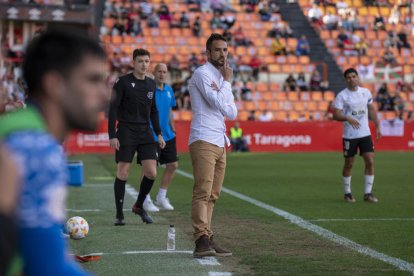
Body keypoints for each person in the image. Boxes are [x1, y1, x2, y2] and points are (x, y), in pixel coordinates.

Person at [0, 30, 108, 275]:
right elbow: (47, 267)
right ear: (54, 85)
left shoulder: (18, 130)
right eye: (92, 80)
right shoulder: (35, 148)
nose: (105, 94)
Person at [188, 33, 237, 258]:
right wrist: (226, 83)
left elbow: (232, 112)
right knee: (202, 191)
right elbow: (215, 102)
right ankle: (201, 240)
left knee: (213, 194)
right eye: (217, 50)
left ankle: (208, 234)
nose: (222, 54)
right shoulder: (202, 73)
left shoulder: (221, 77)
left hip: (219, 140)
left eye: (225, 50)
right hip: (203, 138)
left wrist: (225, 85)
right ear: (208, 53)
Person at [108, 48, 166, 226]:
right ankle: (119, 214)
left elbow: (154, 111)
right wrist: (112, 135)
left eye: (147, 61)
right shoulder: (122, 82)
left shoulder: (151, 84)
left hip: (145, 131)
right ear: (134, 63)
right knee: (123, 172)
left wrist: (158, 133)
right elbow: (113, 109)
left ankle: (139, 205)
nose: (144, 64)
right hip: (126, 130)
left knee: (151, 172)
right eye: (140, 61)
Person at [333, 68, 381, 203]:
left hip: (365, 133)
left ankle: (368, 193)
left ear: (357, 77)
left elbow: (371, 109)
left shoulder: (365, 92)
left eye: (354, 76)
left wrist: (377, 126)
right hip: (350, 135)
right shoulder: (342, 95)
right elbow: (335, 115)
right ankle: (347, 193)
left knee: (370, 161)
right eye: (349, 77)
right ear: (345, 80)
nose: (352, 79)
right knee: (349, 163)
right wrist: (347, 118)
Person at [148, 63, 179, 211]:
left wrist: (172, 126)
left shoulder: (169, 89)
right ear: (154, 73)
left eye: (164, 72)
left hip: (167, 134)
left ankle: (161, 196)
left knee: (173, 165)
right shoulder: (149, 90)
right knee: (149, 168)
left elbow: (170, 110)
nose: (162, 74)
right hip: (151, 134)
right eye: (159, 71)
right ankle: (145, 198)